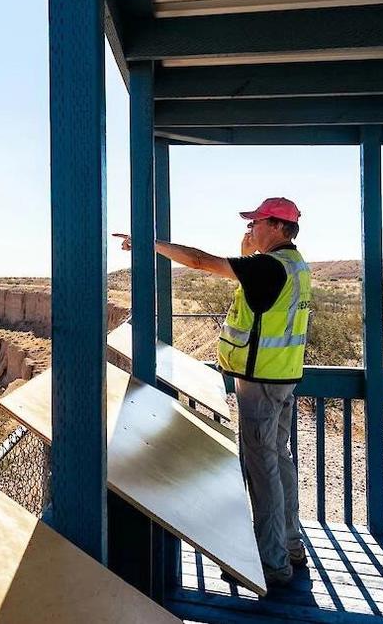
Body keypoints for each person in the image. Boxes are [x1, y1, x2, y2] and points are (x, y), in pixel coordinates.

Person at [119, 197, 311, 587]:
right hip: (282, 377)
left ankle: (271, 562)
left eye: (256, 222)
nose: (250, 228)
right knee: (279, 460)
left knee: (263, 470)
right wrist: (248, 247)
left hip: (260, 382)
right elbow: (251, 284)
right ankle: (291, 546)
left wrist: (149, 243)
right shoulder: (294, 265)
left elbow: (199, 261)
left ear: (277, 226)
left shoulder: (267, 267)